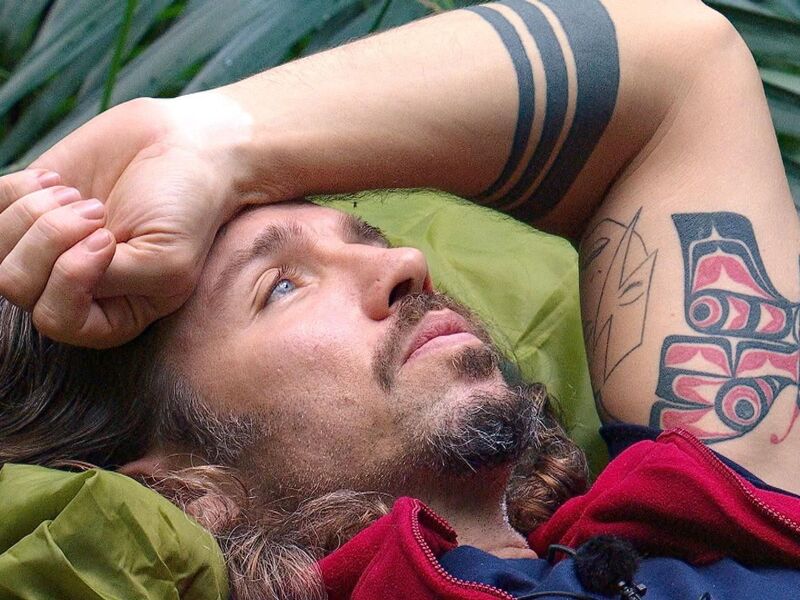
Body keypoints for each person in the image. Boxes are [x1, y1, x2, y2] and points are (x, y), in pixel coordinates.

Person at [0, 0, 798, 598]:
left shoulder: (702, 519)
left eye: (372, 240)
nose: (408, 265)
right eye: (281, 286)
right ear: (184, 486)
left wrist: (209, 142)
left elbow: (683, 69)